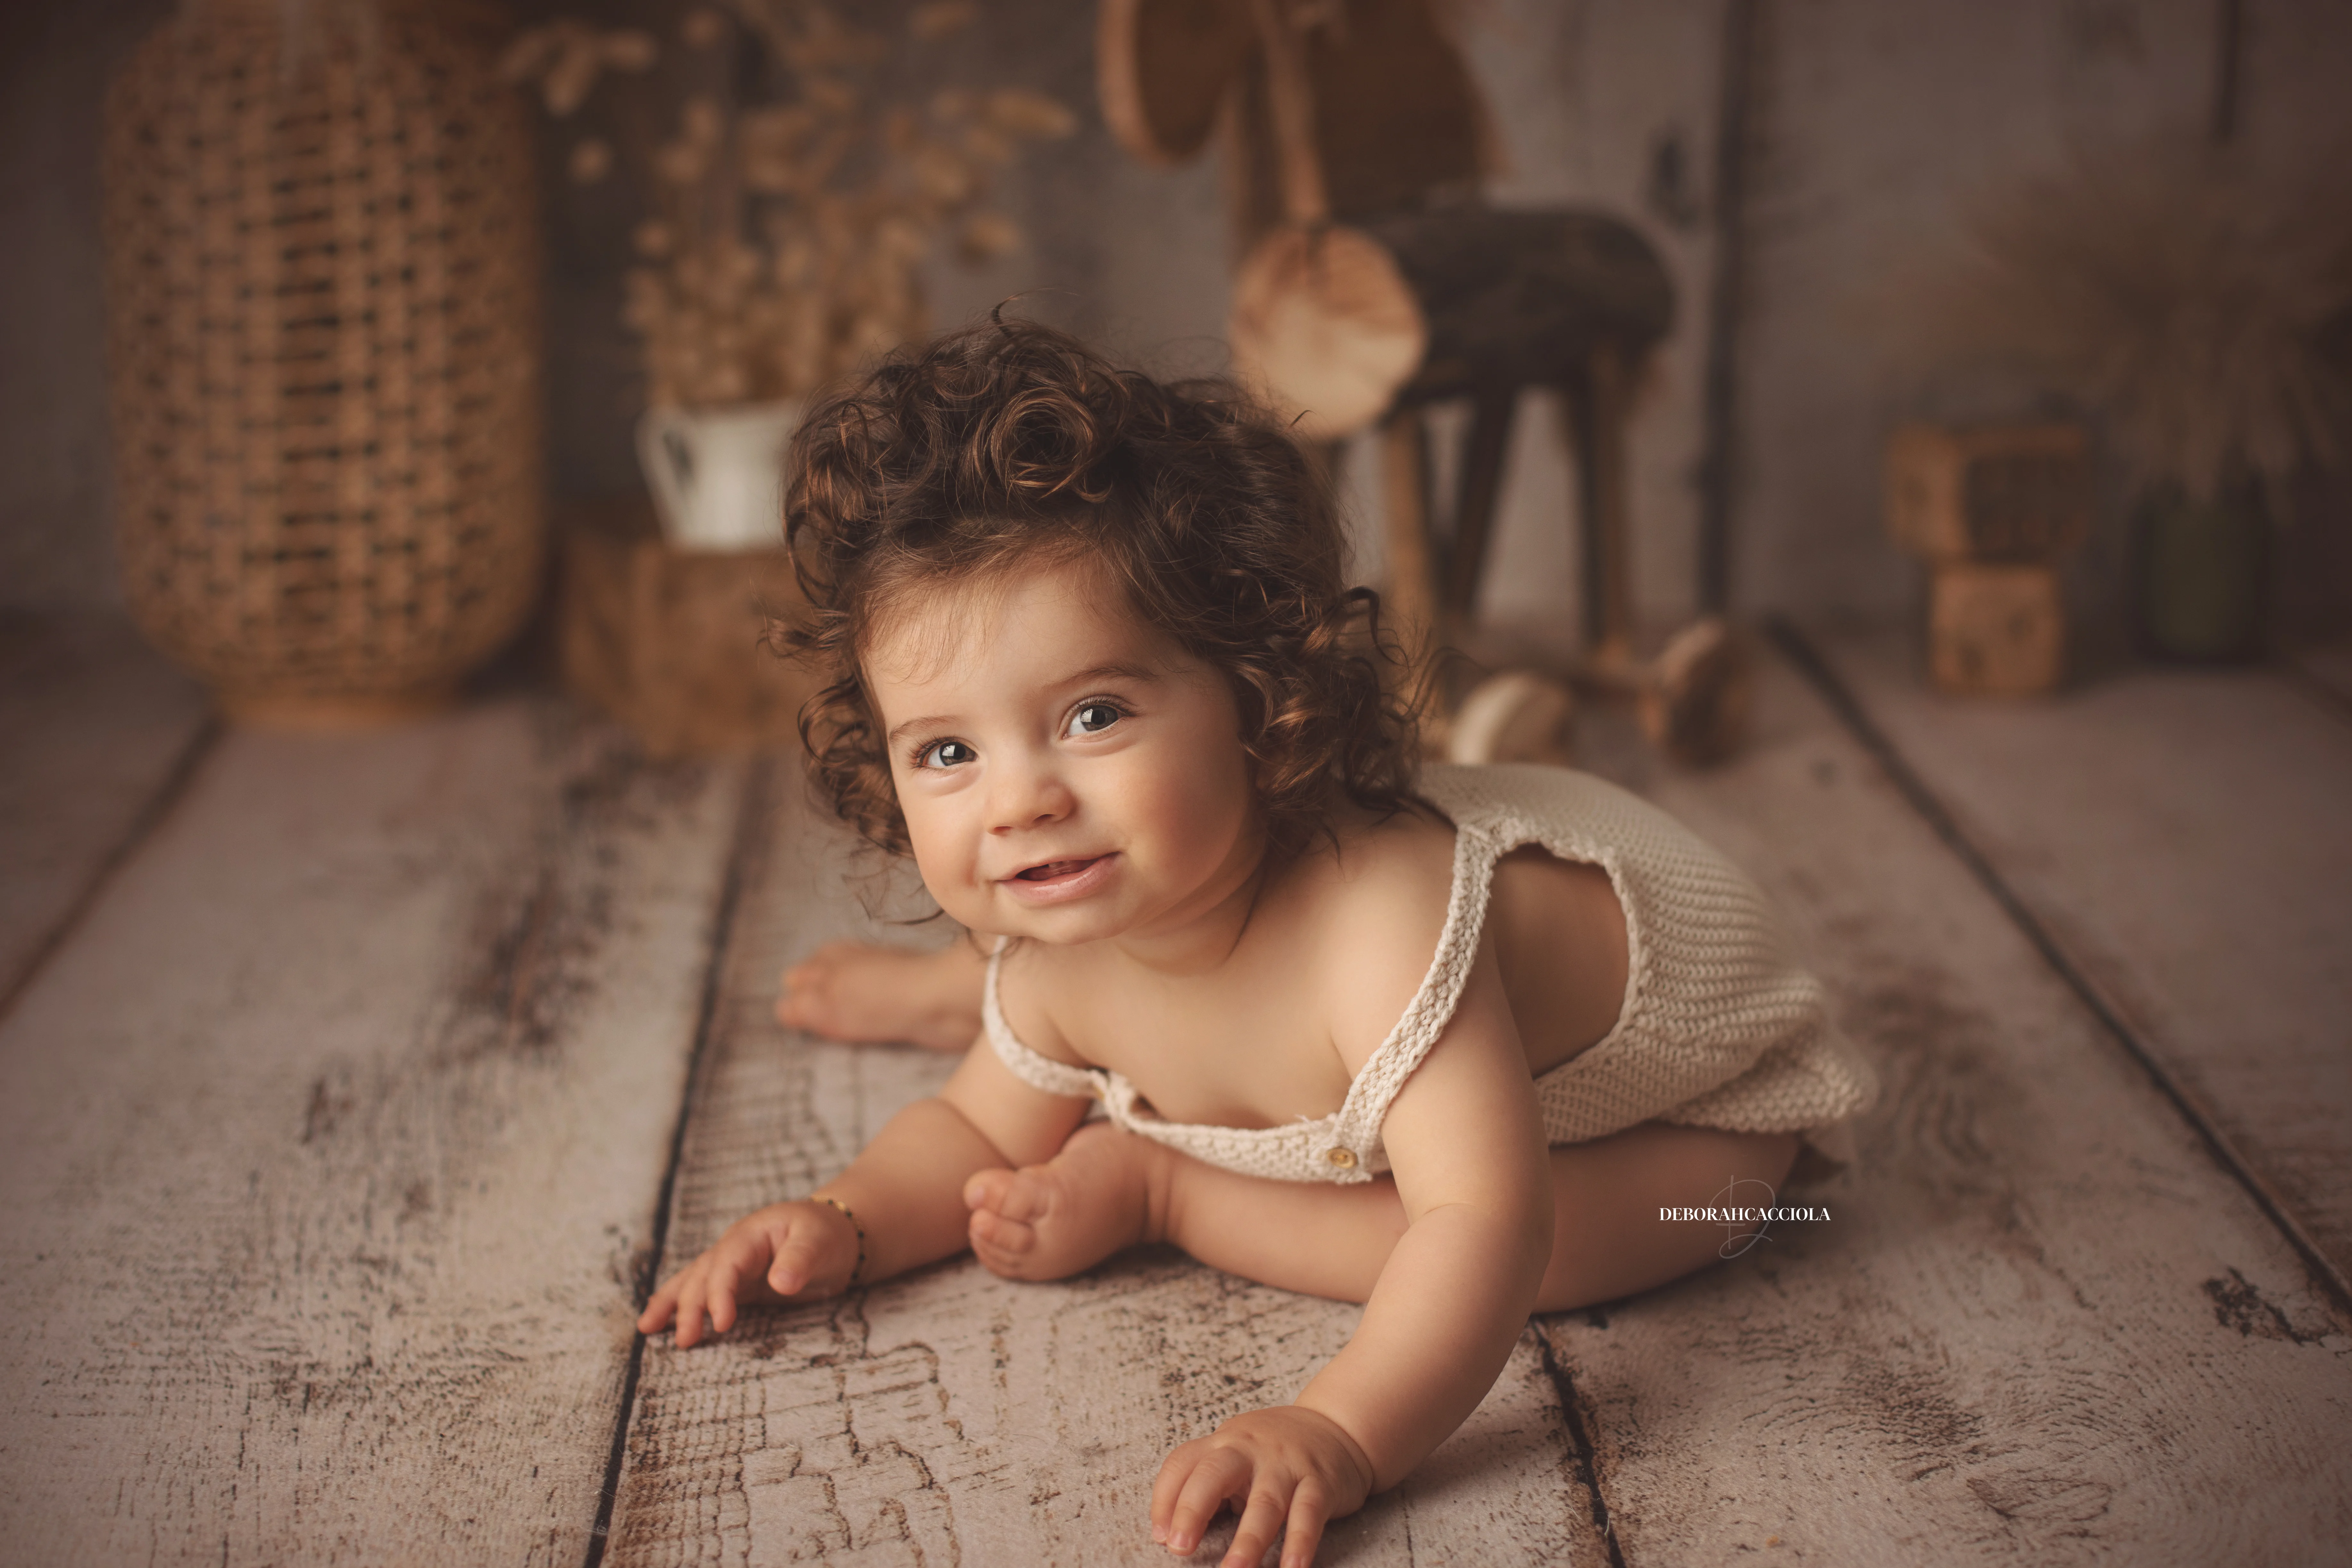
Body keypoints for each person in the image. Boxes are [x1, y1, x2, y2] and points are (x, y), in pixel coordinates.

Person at [638, 319, 1877, 1568]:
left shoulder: (1376, 923)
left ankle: (1162, 1180)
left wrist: (1336, 1428)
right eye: (947, 751)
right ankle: (959, 1008)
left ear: (1253, 693)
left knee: (1572, 1239)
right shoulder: (1068, 939)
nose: (1018, 800)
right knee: (1073, 1049)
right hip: (1421, 1088)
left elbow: (1484, 1222)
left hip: (1703, 1118)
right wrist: (837, 1220)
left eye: (1094, 713)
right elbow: (969, 1135)